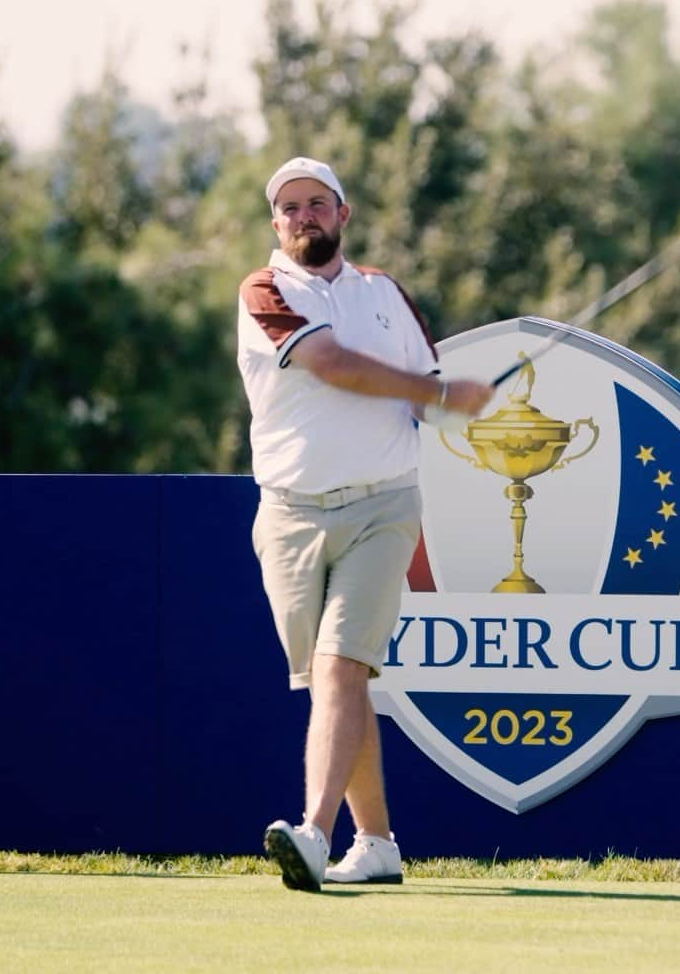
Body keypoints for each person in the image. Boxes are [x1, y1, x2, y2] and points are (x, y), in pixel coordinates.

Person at [237, 156, 493, 892]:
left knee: (340, 669)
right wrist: (433, 393)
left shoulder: (385, 294)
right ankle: (375, 843)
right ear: (276, 223)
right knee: (334, 686)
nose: (304, 216)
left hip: (385, 505)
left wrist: (447, 398)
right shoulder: (264, 290)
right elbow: (331, 365)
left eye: (318, 203)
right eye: (290, 208)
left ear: (343, 214)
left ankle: (314, 834)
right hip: (290, 513)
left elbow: (422, 388)